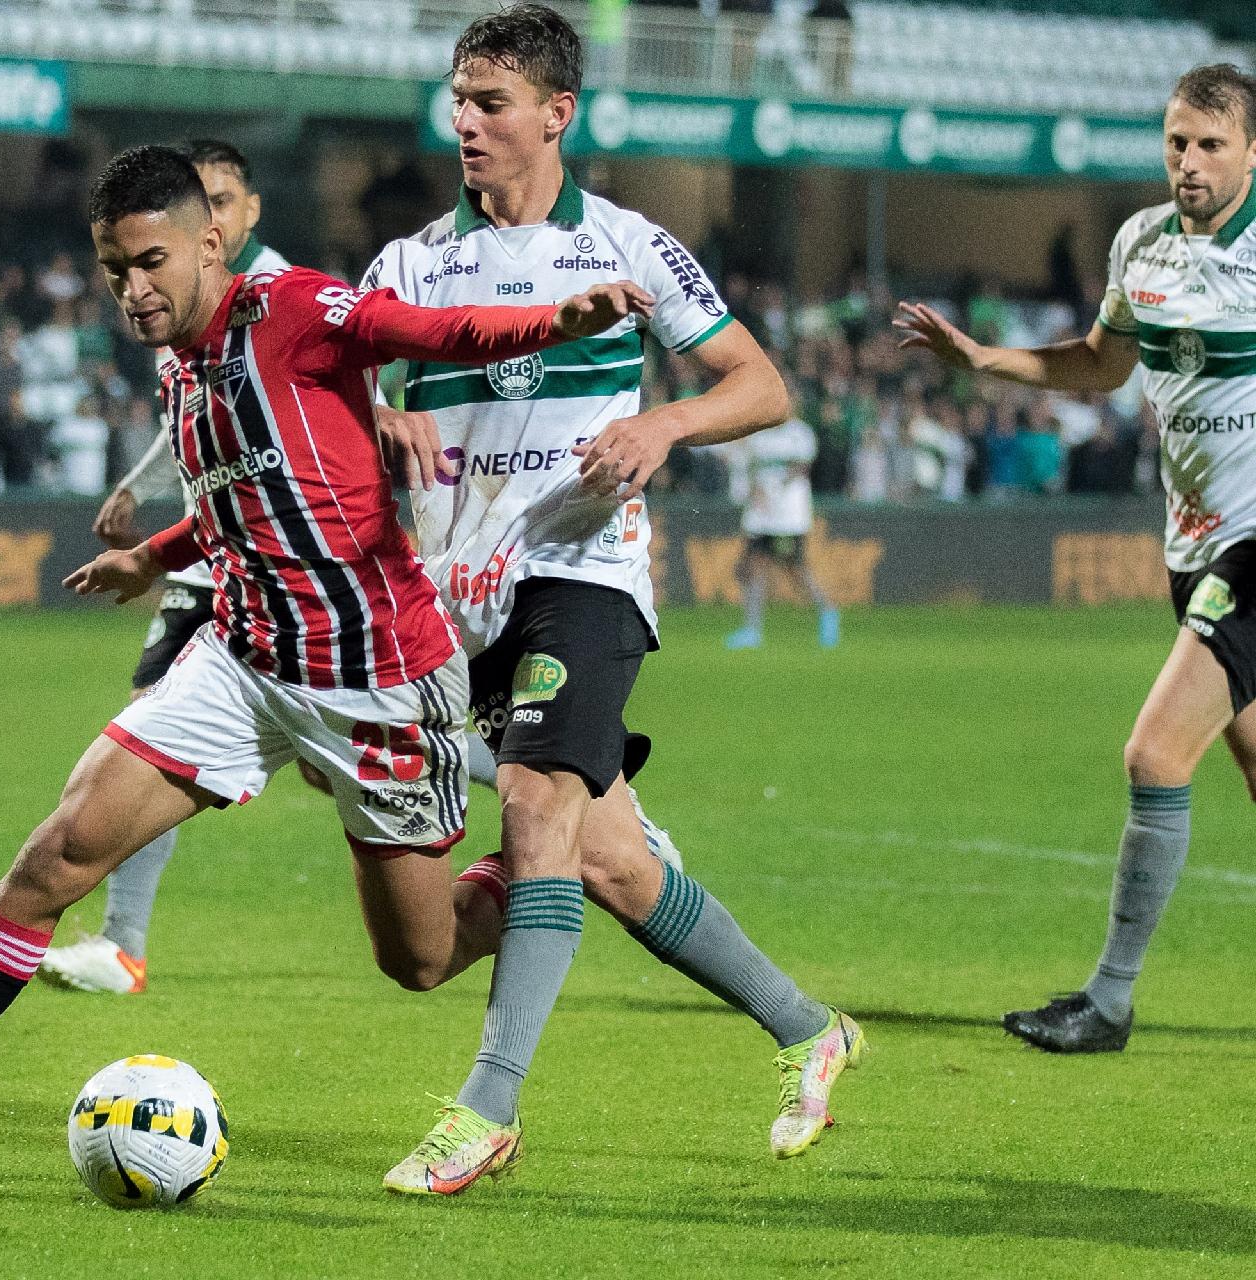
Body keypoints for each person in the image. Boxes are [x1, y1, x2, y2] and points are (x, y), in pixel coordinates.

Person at [0, 144, 645, 1171]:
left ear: (211, 241)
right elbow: (238, 500)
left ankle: (548, 868)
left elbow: (436, 329)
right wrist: (152, 555)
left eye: (151, 261)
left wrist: (557, 321)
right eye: (113, 267)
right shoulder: (181, 357)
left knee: (422, 956)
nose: (133, 288)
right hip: (242, 659)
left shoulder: (295, 309)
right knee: (56, 855)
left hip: (378, 680)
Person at [360, 3, 863, 1193]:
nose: (466, 121)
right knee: (612, 861)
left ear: (557, 113)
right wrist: (385, 414)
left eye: (490, 101)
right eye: (459, 97)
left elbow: (762, 384)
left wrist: (663, 421)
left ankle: (486, 1106)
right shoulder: (412, 266)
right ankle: (811, 1028)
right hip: (464, 600)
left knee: (536, 801)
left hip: (585, 570)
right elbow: (339, 399)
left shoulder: (629, 246)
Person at [896, 63, 1256, 1054]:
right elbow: (1101, 365)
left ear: (1253, 152)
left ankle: (1109, 999)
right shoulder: (1141, 240)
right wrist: (982, 360)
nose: (1189, 160)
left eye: (1212, 144)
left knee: (1154, 752)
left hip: (1255, 546)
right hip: (1195, 542)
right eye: (1178, 141)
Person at [40, 139, 294, 996]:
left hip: (265, 558)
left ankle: (573, 795)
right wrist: (141, 490)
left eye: (226, 197)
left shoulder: (274, 296)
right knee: (158, 728)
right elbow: (189, 419)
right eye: (204, 196)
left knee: (366, 748)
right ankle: (123, 943)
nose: (215, 213)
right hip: (210, 549)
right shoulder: (174, 298)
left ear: (245, 212)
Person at [725, 417, 839, 649]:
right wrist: (756, 490)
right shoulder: (758, 435)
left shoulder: (800, 433)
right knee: (752, 567)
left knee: (795, 569)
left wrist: (775, 490)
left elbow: (801, 468)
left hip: (788, 516)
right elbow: (751, 468)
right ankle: (752, 630)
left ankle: (828, 612)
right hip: (761, 514)